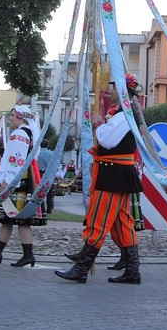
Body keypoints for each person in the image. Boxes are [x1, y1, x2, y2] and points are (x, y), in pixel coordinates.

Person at [55, 73, 144, 285]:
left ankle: (81, 268)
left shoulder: (125, 115)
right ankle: (132, 270)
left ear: (121, 91)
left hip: (113, 174)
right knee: (123, 222)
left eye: (113, 88)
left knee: (100, 220)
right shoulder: (125, 114)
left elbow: (107, 140)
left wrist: (97, 124)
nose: (110, 91)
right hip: (117, 173)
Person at [0, 105, 46, 267]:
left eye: (12, 115)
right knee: (9, 219)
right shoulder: (30, 133)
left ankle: (28, 255)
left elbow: (15, 160)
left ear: (20, 117)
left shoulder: (19, 134)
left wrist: (7, 182)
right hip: (27, 177)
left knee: (19, 219)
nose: (10, 118)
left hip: (18, 180)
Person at [37, 139, 55, 214]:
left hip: (40, 173)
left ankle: (42, 209)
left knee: (40, 192)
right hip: (49, 173)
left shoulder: (38, 154)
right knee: (49, 192)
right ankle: (49, 209)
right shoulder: (51, 153)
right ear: (47, 145)